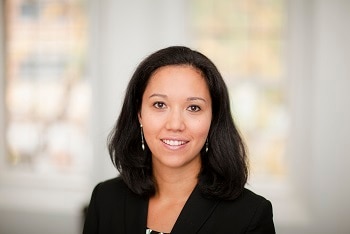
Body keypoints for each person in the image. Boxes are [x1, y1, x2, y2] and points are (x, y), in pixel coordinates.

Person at [83, 46, 275, 234]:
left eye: (193, 108)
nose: (175, 124)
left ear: (213, 118)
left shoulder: (250, 215)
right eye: (159, 104)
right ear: (139, 113)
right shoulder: (105, 198)